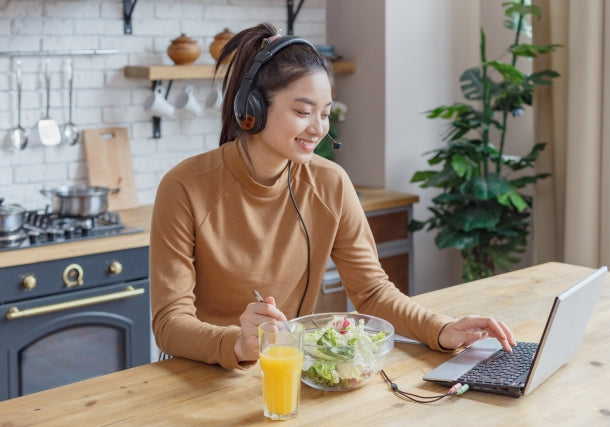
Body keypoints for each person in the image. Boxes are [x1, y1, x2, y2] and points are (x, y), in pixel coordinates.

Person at [150, 23, 516, 370]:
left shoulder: (330, 183)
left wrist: (441, 329)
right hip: (197, 378)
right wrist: (238, 344)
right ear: (253, 110)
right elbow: (169, 323)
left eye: (324, 114)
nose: (318, 128)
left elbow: (371, 291)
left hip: (281, 369)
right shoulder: (185, 186)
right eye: (302, 111)